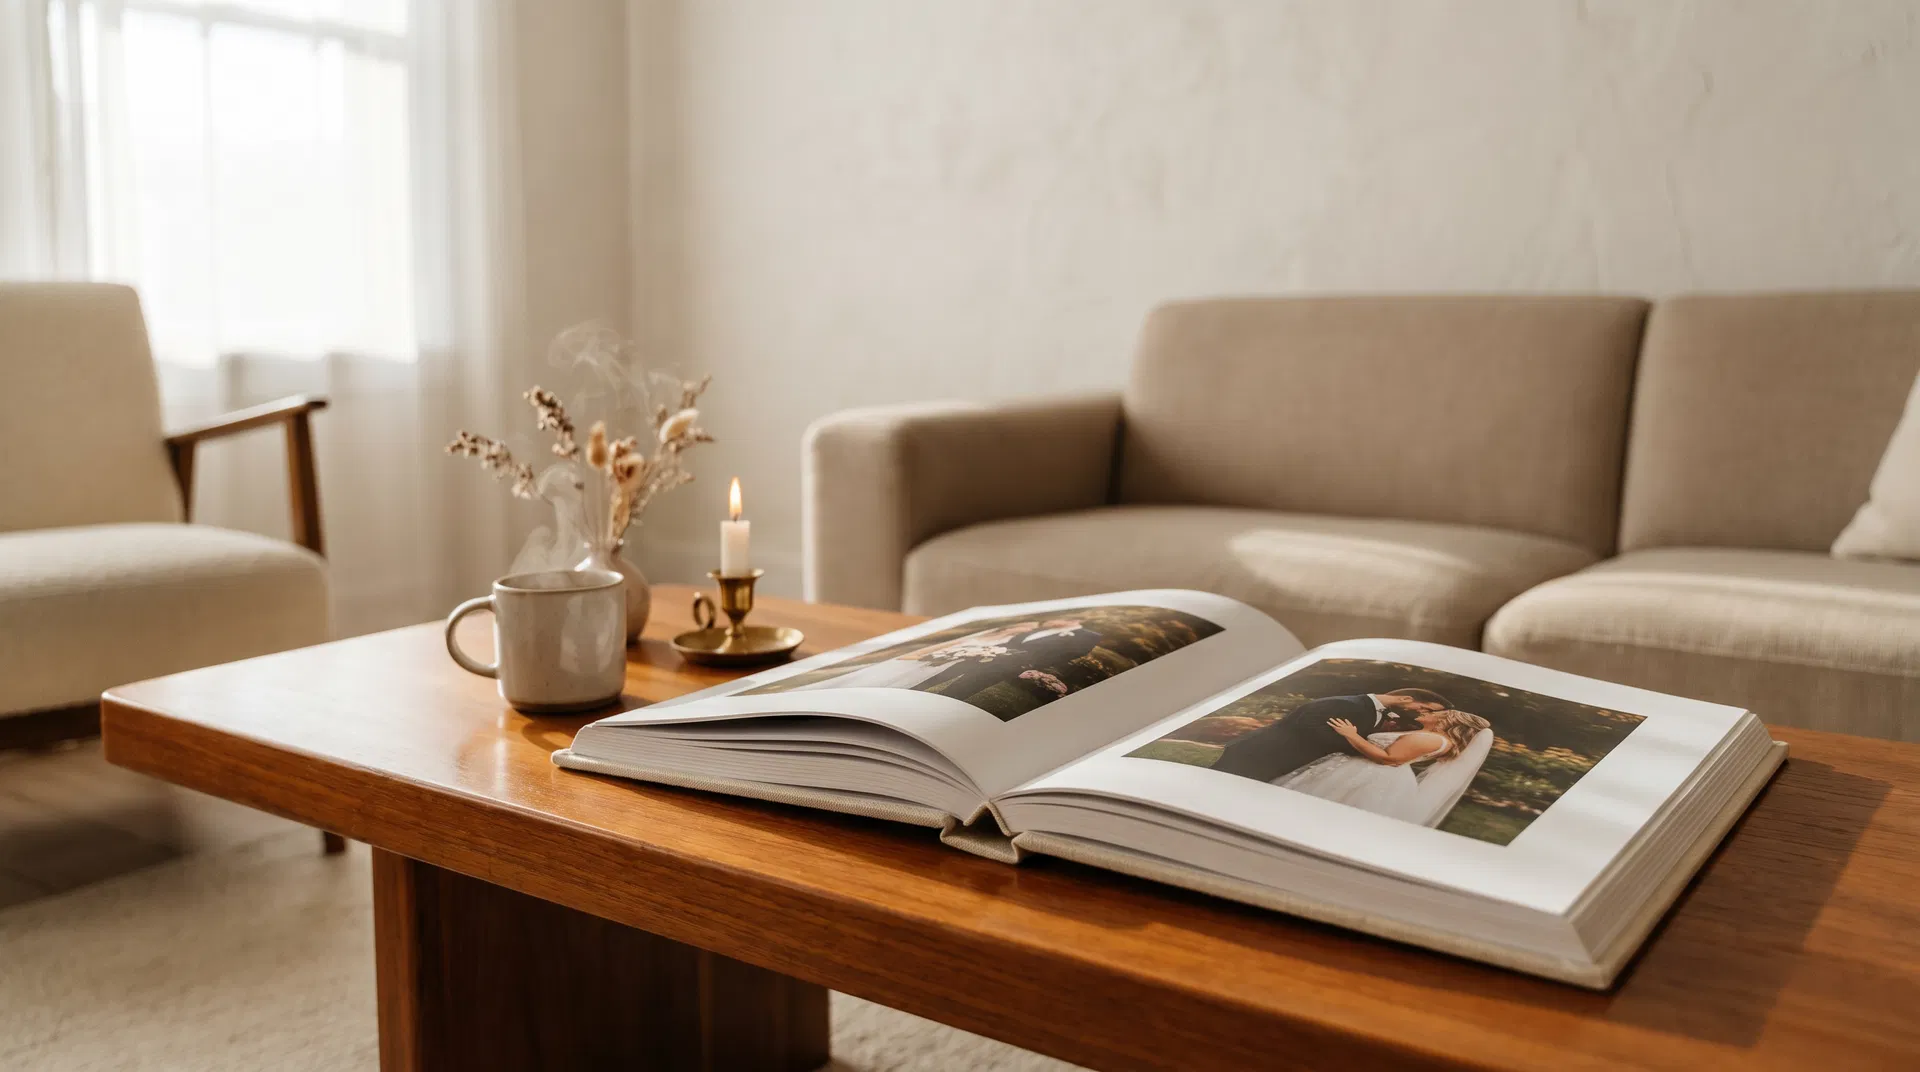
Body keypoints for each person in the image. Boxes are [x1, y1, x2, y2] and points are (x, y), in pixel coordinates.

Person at [1273, 709, 1493, 825]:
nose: (1430, 713)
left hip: (1374, 774)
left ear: (1448, 721)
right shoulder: (1431, 736)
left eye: (1437, 713)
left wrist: (1351, 735)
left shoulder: (1431, 739)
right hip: (1366, 769)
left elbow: (1389, 759)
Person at [1208, 688, 1452, 782]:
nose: (1421, 713)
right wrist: (1356, 744)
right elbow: (1308, 726)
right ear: (1406, 698)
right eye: (1424, 708)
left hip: (1281, 761)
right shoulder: (1346, 704)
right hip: (1261, 755)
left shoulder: (1381, 713)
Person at [788, 621, 1040, 692]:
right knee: (881, 679)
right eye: (1025, 628)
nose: (1025, 630)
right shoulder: (984, 635)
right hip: (924, 660)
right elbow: (947, 646)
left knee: (905, 684)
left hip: (938, 666)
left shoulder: (1005, 643)